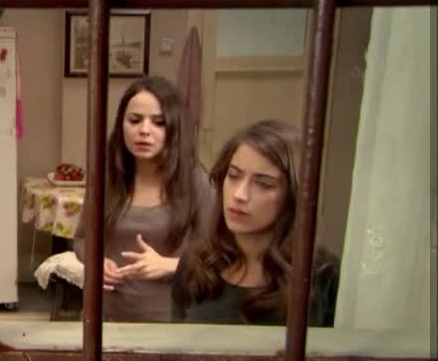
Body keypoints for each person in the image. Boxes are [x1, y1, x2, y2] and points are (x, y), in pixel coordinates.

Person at [73, 76, 213, 322]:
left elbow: (218, 255)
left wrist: (170, 265)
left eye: (159, 122)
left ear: (174, 128)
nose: (144, 130)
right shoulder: (108, 178)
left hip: (172, 319)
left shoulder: (196, 181)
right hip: (105, 317)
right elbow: (82, 239)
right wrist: (95, 261)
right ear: (121, 125)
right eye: (135, 120)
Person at [171, 120, 339, 326]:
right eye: (234, 176)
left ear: (293, 196)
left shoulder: (324, 275)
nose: (239, 195)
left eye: (263, 184)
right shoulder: (196, 264)